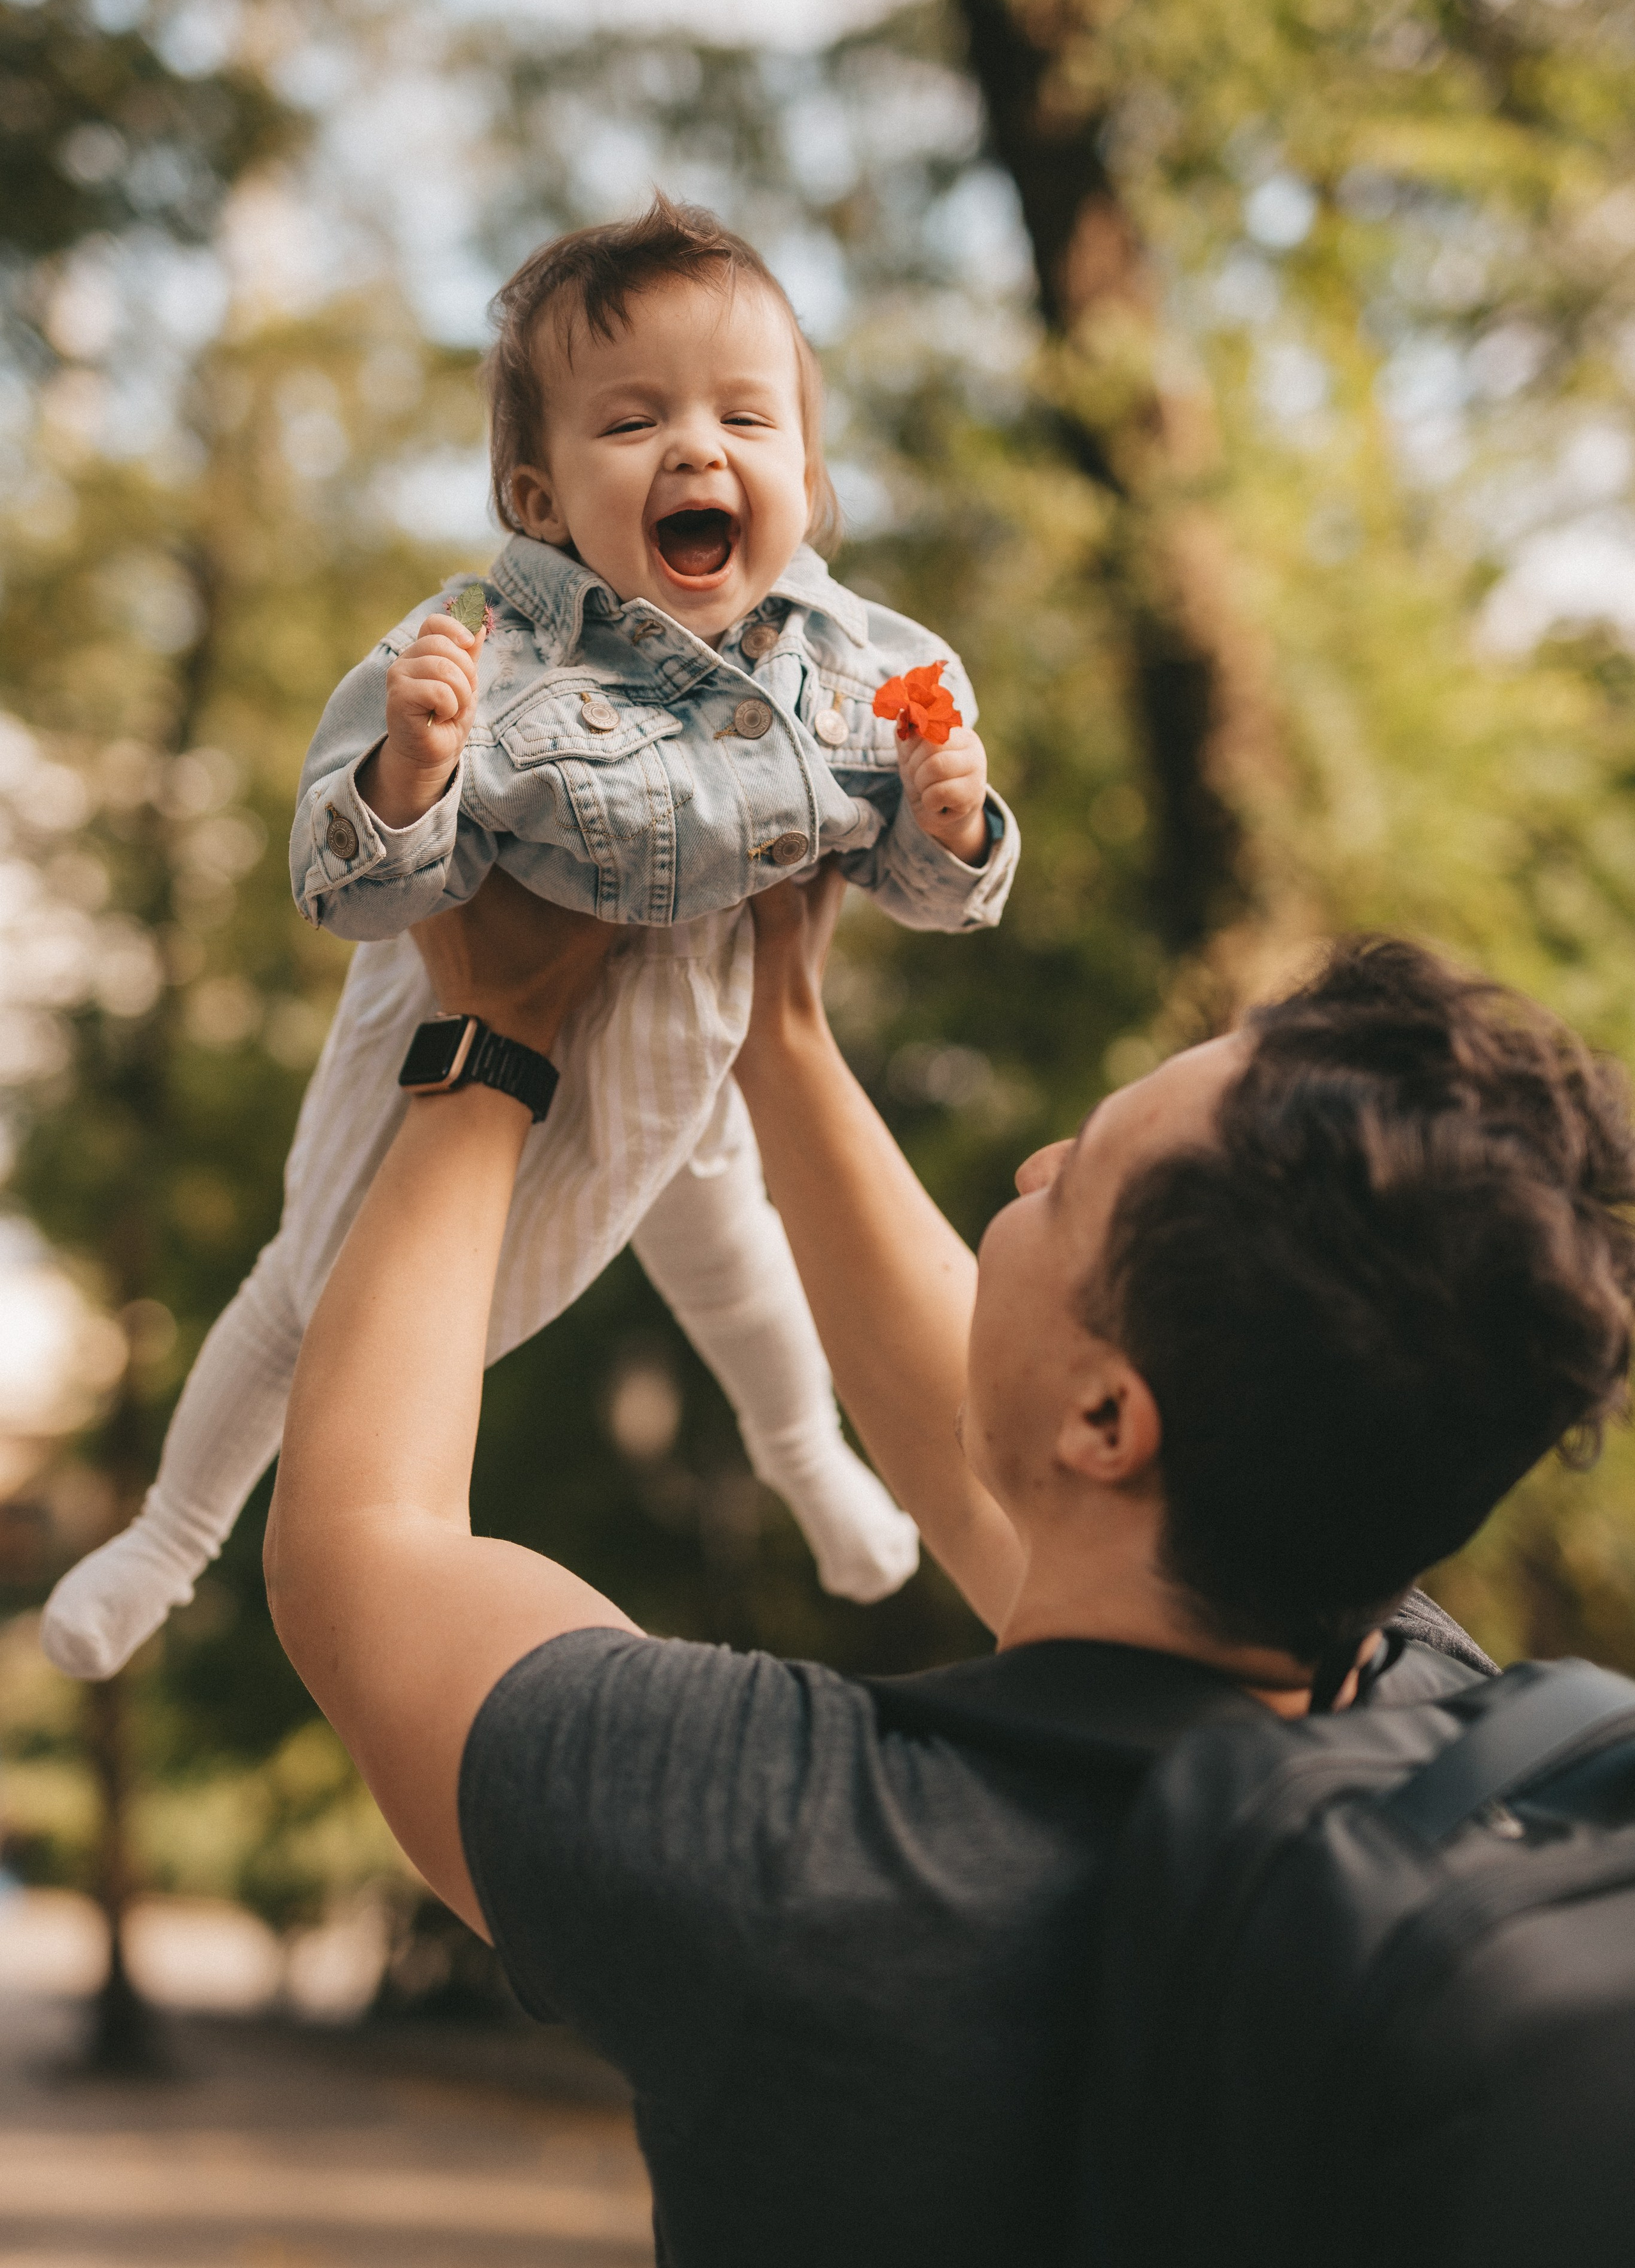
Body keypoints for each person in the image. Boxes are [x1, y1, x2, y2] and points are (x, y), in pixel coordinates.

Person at [262, 864, 1635, 2268]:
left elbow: (361, 1552)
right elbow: (1005, 1467)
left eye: (1080, 1173)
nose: (1033, 1169)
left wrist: (493, 1036)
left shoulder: (796, 1856)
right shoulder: (1440, 1745)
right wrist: (775, 1037)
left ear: (1109, 1418)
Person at [43, 195, 1021, 1682]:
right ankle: (173, 1533)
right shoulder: (476, 642)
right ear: (540, 496)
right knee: (308, 1281)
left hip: (694, 1015)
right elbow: (341, 879)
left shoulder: (866, 662)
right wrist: (408, 773)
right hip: (458, 991)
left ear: (805, 481)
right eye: (633, 423)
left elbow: (922, 882)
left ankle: (805, 1454)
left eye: (745, 418)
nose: (699, 450)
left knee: (730, 1254)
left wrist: (950, 824)